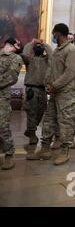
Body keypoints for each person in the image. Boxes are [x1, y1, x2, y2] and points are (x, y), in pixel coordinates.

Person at [27, 23, 75, 165]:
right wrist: (48, 85)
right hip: (54, 92)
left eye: (53, 33)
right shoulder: (58, 50)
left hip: (66, 93)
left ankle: (65, 152)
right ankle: (45, 149)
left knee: (65, 123)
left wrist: (55, 85)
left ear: (58, 33)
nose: (53, 36)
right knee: (49, 120)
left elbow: (70, 72)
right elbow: (52, 70)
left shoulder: (72, 50)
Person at [20, 39, 53, 145]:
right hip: (31, 89)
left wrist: (45, 44)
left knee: (41, 111)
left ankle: (30, 129)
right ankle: (32, 134)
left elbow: (52, 55)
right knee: (32, 111)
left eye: (41, 47)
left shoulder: (47, 60)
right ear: (34, 49)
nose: (39, 47)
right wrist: (31, 43)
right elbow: (24, 54)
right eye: (37, 46)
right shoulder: (30, 59)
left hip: (43, 89)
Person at [0, 38, 23, 170]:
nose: (19, 45)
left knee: (3, 127)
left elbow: (11, 77)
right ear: (11, 43)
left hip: (2, 98)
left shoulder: (15, 58)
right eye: (18, 43)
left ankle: (9, 154)